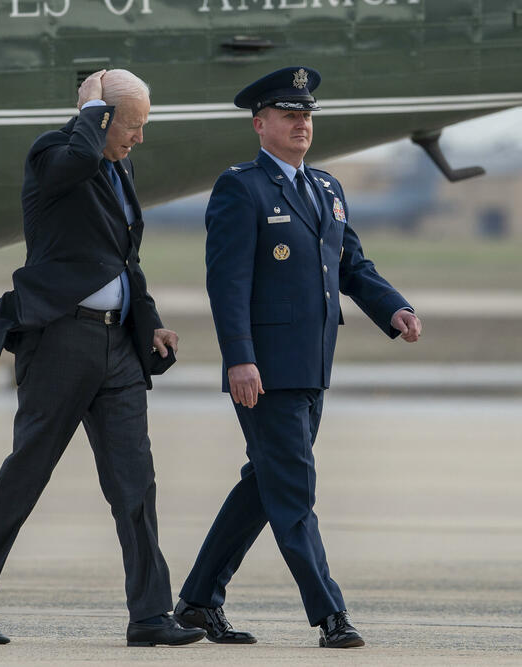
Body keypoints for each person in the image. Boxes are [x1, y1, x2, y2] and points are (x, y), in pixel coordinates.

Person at [0, 69, 205, 648]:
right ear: (100, 116)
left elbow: (124, 258)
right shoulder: (54, 153)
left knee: (135, 481)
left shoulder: (118, 163)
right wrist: (91, 111)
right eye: (131, 125)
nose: (138, 138)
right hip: (60, 339)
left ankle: (150, 615)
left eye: (142, 125)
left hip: (117, 347)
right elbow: (75, 163)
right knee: (28, 472)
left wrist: (150, 320)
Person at [173, 66, 422, 649]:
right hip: (264, 370)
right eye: (289, 115)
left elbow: (352, 264)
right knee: (294, 492)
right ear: (261, 125)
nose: (301, 124)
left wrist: (393, 309)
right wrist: (239, 358)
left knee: (265, 484)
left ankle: (199, 601)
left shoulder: (327, 188)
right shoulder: (242, 187)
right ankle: (331, 615)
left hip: (313, 367)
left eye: (307, 115)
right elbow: (227, 283)